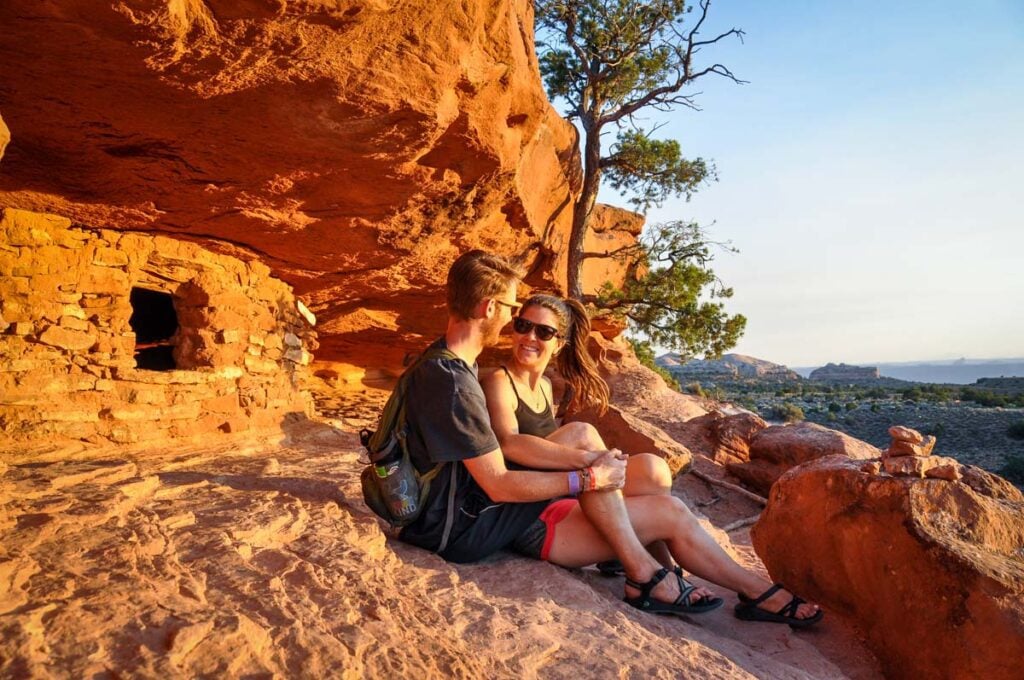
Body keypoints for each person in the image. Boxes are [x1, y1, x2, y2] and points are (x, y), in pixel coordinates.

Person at [398, 251, 822, 626]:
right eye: (516, 316)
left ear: (558, 343)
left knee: (647, 468)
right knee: (662, 506)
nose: (521, 329)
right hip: (492, 520)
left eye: (541, 331)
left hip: (505, 506)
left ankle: (653, 566)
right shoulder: (470, 381)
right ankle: (684, 580)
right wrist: (589, 476)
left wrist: (594, 470)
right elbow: (503, 468)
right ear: (492, 308)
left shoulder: (465, 370)